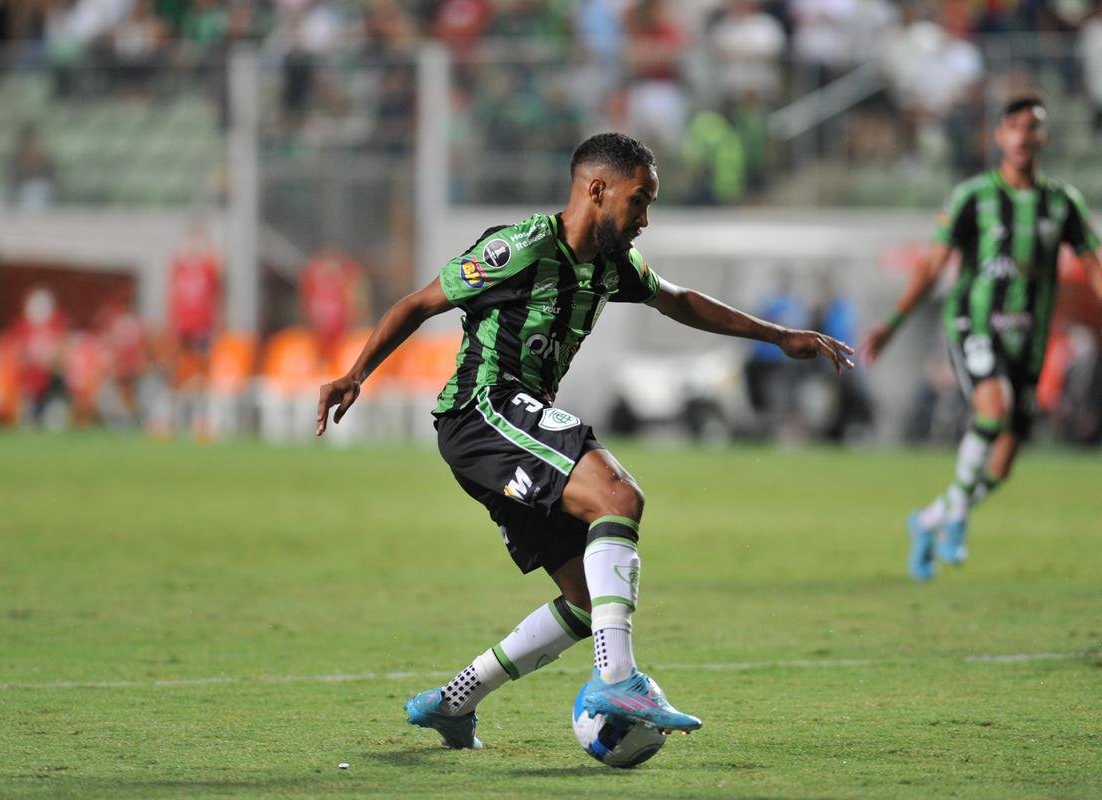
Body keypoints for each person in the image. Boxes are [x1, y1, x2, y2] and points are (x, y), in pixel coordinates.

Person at [316, 133, 854, 749]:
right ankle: (617, 679)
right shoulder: (521, 248)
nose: (644, 219)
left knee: (583, 598)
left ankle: (455, 702)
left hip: (511, 425)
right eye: (639, 201)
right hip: (482, 409)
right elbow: (419, 303)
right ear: (597, 190)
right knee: (619, 497)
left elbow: (678, 300)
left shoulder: (611, 263)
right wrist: (356, 375)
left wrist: (778, 336)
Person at [861, 97, 1102, 582]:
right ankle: (956, 517)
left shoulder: (1063, 203)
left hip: (1029, 338)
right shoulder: (973, 197)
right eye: (1014, 126)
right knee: (993, 410)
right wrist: (893, 323)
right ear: (999, 136)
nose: (1023, 135)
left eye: (1032, 126)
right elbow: (932, 265)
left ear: (1044, 137)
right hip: (976, 325)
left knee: (1004, 460)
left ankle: (930, 518)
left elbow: (1093, 266)